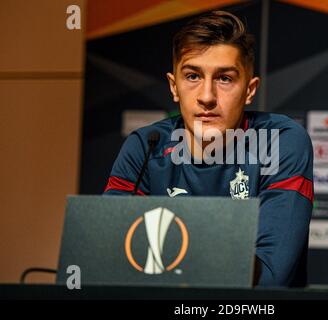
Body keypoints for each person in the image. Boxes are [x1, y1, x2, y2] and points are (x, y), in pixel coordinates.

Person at [104, 10, 313, 287]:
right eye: (192, 76)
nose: (206, 97)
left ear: (249, 90)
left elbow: (270, 279)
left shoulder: (280, 141)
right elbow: (105, 260)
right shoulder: (145, 146)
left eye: (224, 78)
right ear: (173, 85)